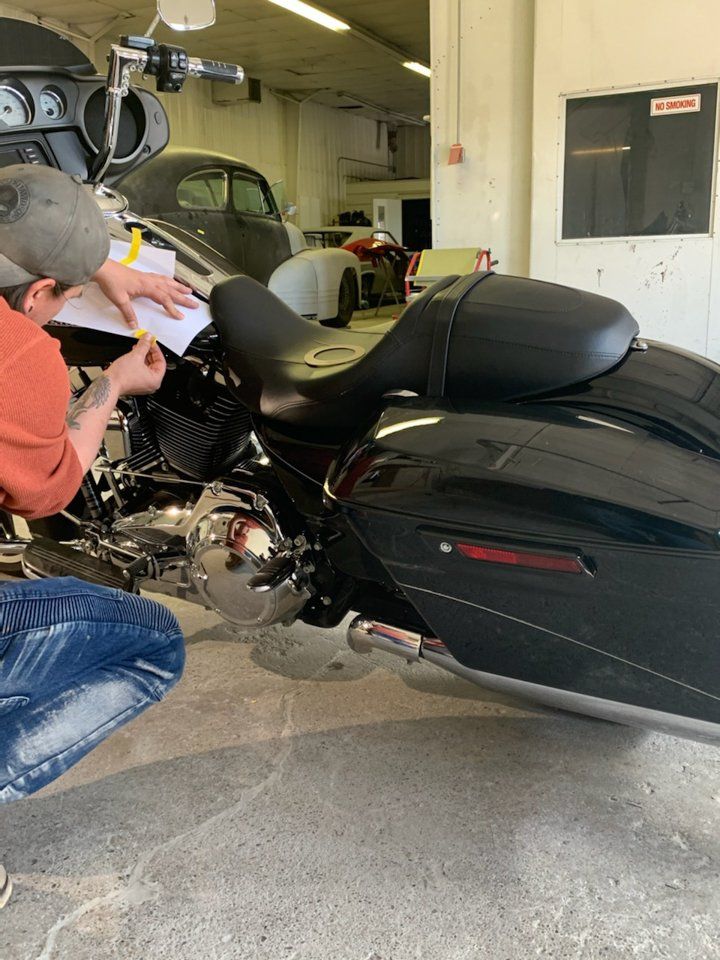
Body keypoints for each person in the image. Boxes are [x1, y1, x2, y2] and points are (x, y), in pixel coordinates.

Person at [0, 165, 195, 908]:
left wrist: (102, 268)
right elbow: (48, 487)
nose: (79, 299)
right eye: (69, 290)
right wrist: (110, 386)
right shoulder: (22, 358)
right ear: (40, 291)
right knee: (152, 643)